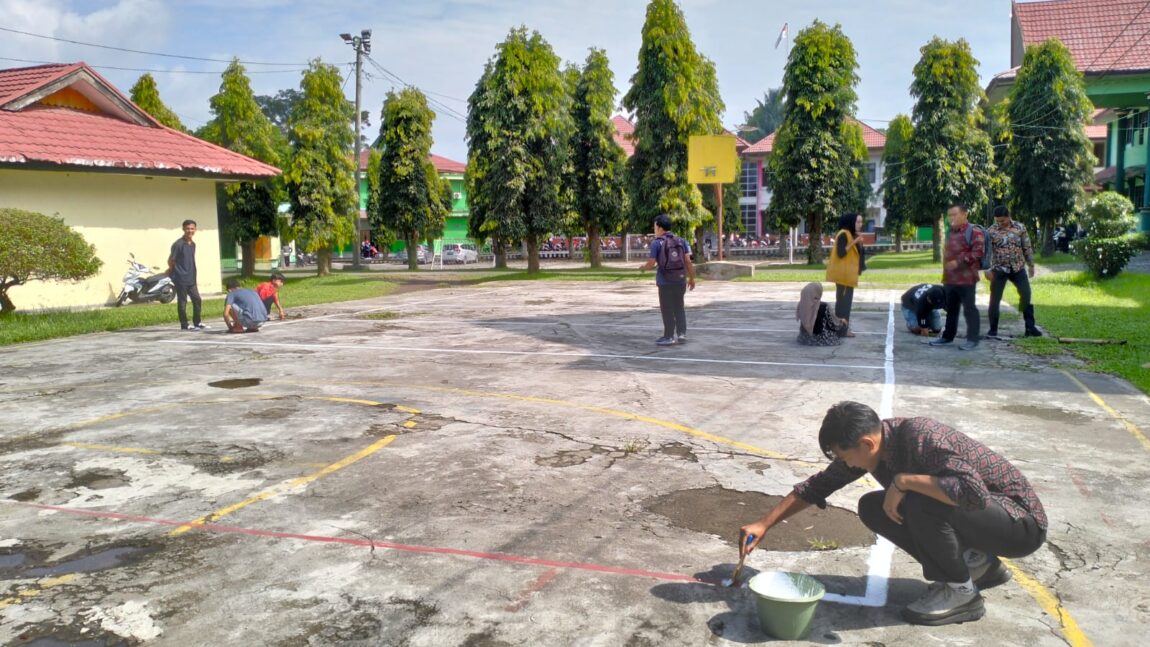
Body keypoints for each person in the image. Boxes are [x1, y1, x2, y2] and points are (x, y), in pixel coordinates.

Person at [739, 401, 1046, 627]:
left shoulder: (920, 436)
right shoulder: (874, 448)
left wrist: (903, 481)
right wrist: (765, 523)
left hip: (1019, 523)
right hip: (983, 521)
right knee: (873, 507)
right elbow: (818, 485)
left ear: (866, 443)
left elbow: (973, 493)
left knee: (915, 500)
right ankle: (978, 564)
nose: (846, 464)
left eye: (845, 456)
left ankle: (963, 595)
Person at [929, 204, 984, 350]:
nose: (951, 218)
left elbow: (978, 253)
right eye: (949, 215)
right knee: (951, 309)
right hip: (950, 279)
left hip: (967, 279)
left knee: (969, 309)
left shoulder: (974, 231)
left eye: (954, 214)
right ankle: (947, 336)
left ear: (965, 214)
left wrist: (958, 262)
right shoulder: (950, 232)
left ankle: (972, 339)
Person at [639, 213, 696, 346]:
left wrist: (643, 267)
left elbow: (651, 263)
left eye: (655, 227)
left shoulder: (656, 243)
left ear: (659, 228)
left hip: (665, 282)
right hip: (680, 280)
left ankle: (668, 336)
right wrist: (692, 278)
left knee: (667, 309)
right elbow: (688, 261)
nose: (654, 229)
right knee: (679, 307)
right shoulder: (682, 241)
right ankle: (682, 334)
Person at [985, 206, 1040, 339]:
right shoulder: (990, 231)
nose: (1000, 224)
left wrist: (1031, 265)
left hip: (1018, 268)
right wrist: (987, 269)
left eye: (1002, 221)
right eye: (998, 221)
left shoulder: (1020, 228)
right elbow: (986, 252)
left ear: (1009, 216)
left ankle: (1030, 327)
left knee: (1026, 294)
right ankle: (993, 329)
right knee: (994, 300)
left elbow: (1026, 247)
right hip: (999, 269)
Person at [826, 212, 865, 337]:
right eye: (857, 222)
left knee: (845, 304)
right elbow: (841, 253)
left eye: (861, 222)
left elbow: (858, 255)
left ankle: (842, 329)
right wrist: (855, 241)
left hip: (848, 277)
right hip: (843, 277)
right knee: (843, 304)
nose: (860, 224)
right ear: (851, 222)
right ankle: (841, 330)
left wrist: (859, 243)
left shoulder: (850, 235)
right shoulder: (843, 234)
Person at [168, 219, 207, 331]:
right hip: (180, 278)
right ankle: (184, 325)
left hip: (191, 278)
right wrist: (175, 271)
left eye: (192, 228)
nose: (190, 230)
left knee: (197, 300)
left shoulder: (193, 244)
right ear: (183, 229)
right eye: (187, 228)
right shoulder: (178, 244)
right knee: (182, 301)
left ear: (195, 229)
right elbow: (171, 260)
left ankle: (197, 322)